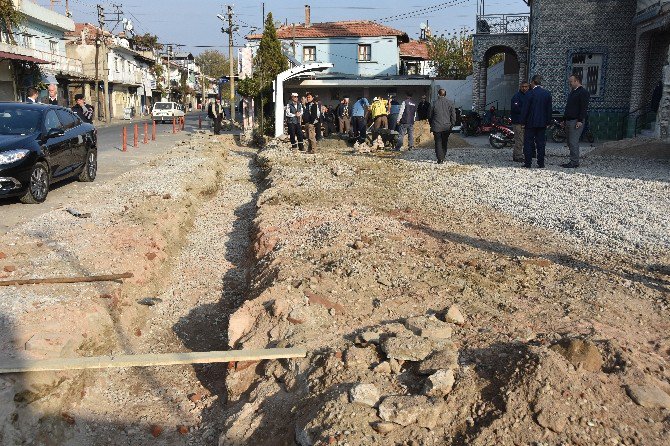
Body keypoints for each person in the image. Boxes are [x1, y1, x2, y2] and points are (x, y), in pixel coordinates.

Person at [521, 74, 552, 168]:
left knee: (528, 143)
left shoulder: (529, 94)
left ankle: (528, 163)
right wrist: (548, 122)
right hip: (542, 123)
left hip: (530, 123)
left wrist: (522, 122)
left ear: (533, 82)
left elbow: (525, 109)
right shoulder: (547, 93)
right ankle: (541, 163)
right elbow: (549, 110)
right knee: (541, 144)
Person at [561, 73, 590, 168]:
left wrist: (580, 120)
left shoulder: (583, 92)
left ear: (577, 81)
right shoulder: (573, 92)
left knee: (573, 142)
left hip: (576, 121)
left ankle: (574, 162)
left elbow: (583, 108)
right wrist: (564, 120)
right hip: (569, 120)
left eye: (571, 81)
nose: (570, 83)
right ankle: (573, 160)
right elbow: (569, 108)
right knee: (569, 142)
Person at [429, 89, 456, 164]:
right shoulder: (450, 103)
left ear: (438, 94)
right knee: (444, 142)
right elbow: (453, 115)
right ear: (445, 95)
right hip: (447, 126)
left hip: (436, 126)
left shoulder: (434, 103)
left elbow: (430, 116)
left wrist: (431, 124)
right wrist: (452, 124)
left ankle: (439, 159)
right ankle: (443, 156)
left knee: (438, 142)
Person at [510, 81, 530, 162]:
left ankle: (518, 155)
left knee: (522, 140)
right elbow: (516, 109)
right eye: (523, 86)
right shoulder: (517, 96)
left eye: (526, 86)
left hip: (525, 122)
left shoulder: (528, 96)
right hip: (518, 122)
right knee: (519, 140)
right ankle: (517, 156)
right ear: (520, 87)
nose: (524, 88)